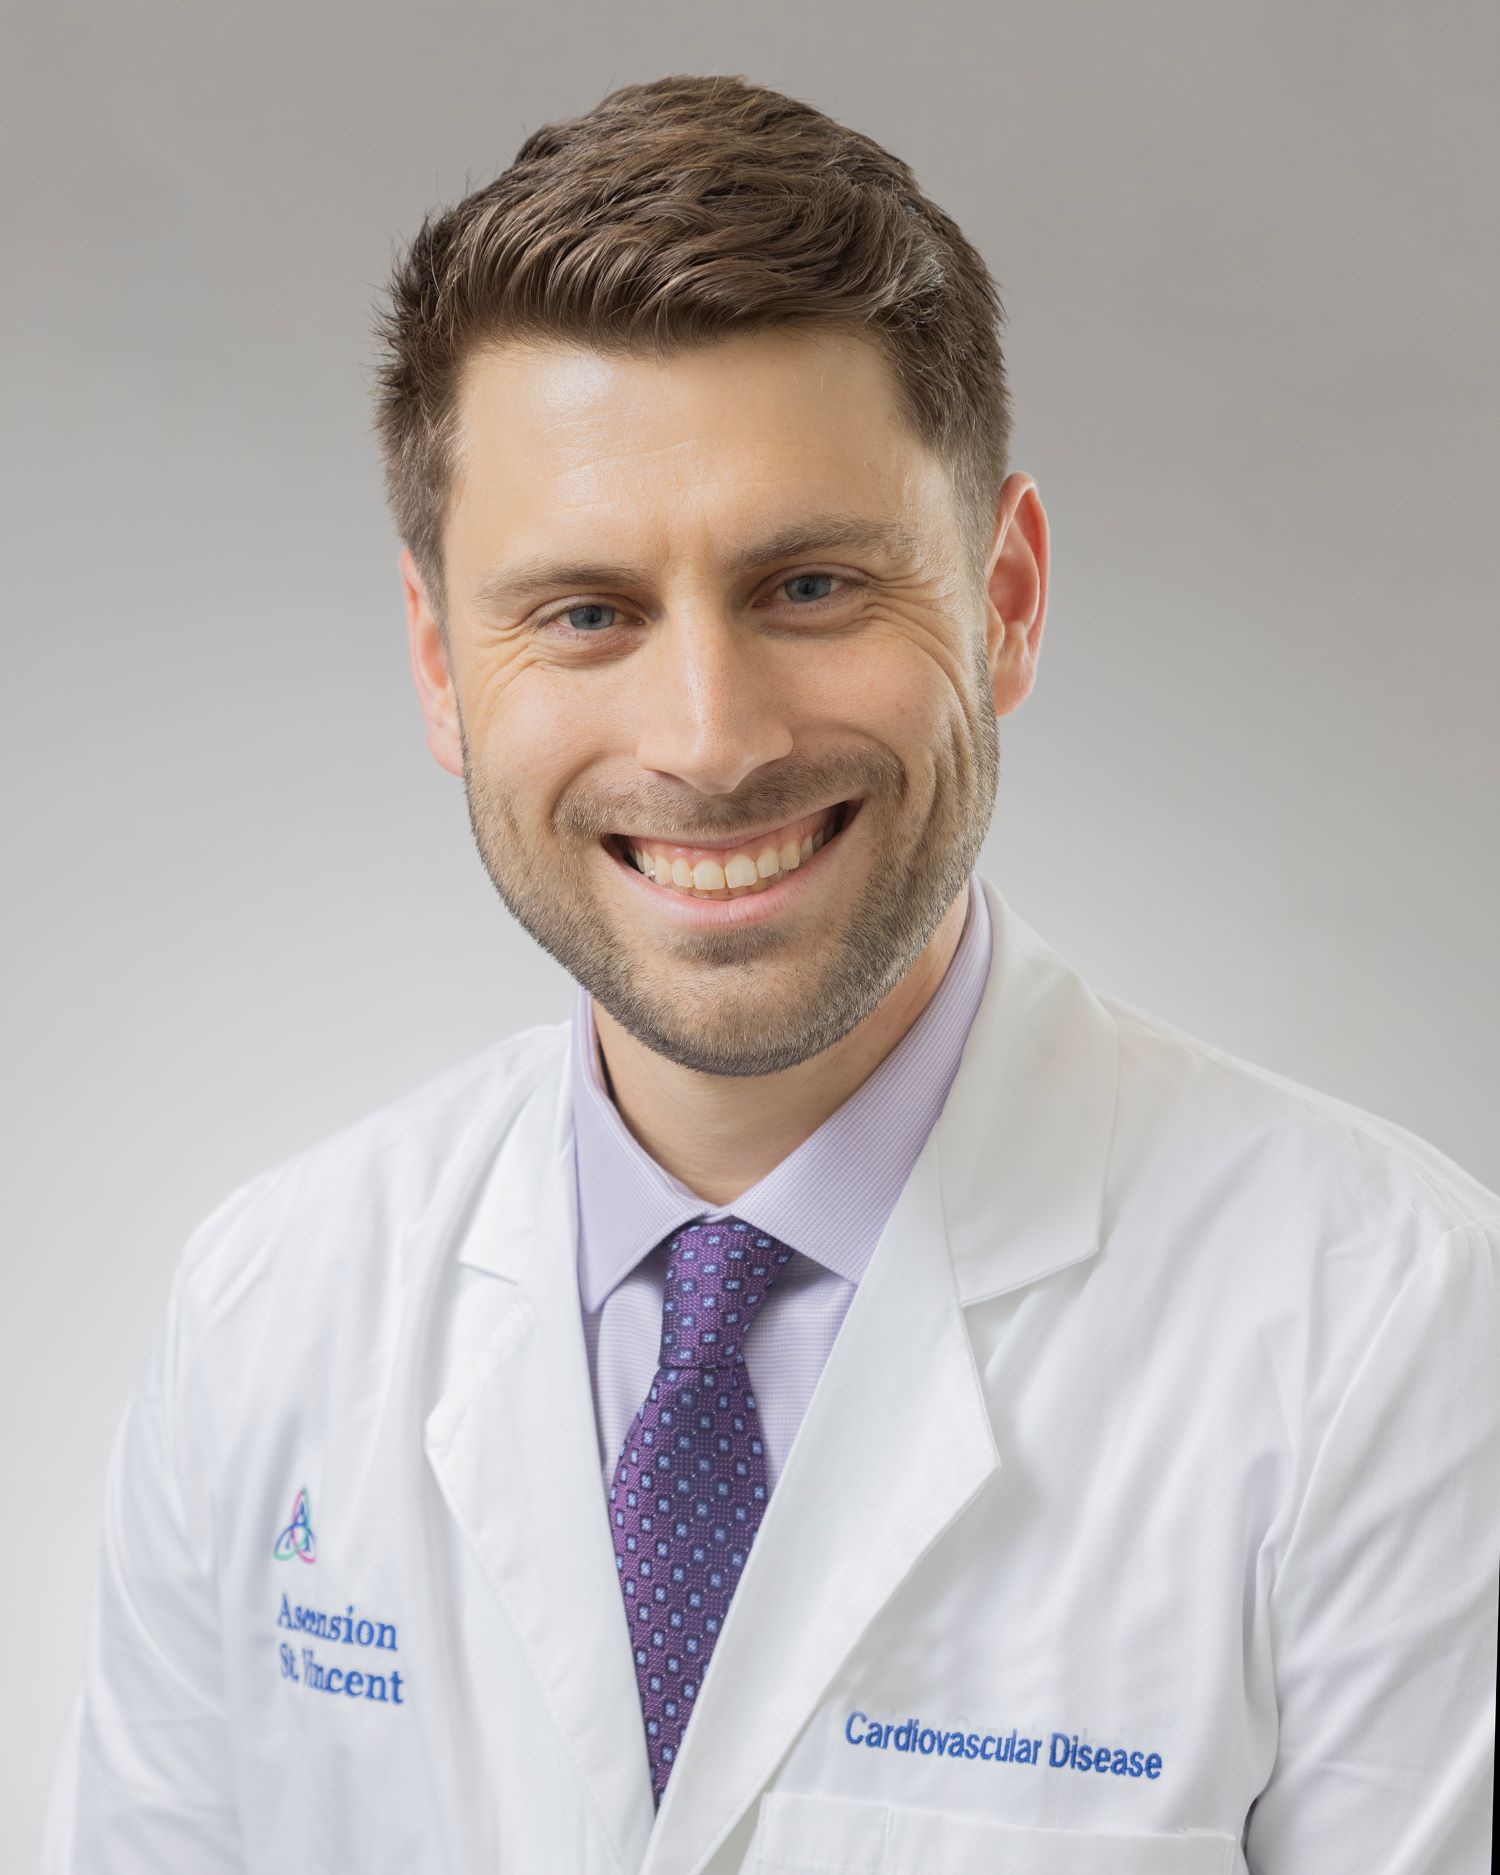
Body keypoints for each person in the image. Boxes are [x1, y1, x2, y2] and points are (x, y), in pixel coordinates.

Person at [39, 72, 1498, 1875]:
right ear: (438, 665)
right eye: (586, 612)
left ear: (1007, 600)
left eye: (809, 586)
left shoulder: (1390, 1335)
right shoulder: (270, 1308)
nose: (709, 738)